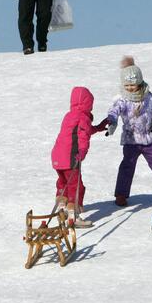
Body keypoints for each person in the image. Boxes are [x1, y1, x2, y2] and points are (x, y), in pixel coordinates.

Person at [106, 57, 152, 206]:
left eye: (133, 84)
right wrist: (112, 122)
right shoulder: (122, 100)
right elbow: (114, 111)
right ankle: (121, 194)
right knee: (127, 166)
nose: (131, 88)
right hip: (131, 140)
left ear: (140, 81)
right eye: (127, 85)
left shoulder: (148, 96)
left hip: (150, 139)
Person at [50, 86, 108, 228]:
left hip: (57, 157)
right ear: (87, 104)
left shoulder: (69, 115)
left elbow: (81, 131)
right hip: (71, 158)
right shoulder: (83, 117)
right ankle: (73, 216)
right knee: (76, 187)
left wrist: (98, 127)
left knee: (63, 184)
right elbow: (83, 137)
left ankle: (62, 209)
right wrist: (82, 152)